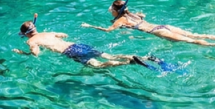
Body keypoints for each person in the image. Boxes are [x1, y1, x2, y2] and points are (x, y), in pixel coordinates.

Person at [82, 0, 215, 51]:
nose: (110, 10)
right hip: (162, 26)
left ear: (115, 10)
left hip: (157, 32)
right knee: (196, 35)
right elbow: (143, 15)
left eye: (111, 8)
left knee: (192, 41)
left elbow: (108, 30)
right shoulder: (133, 15)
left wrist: (90, 26)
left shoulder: (121, 19)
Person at [13, 14, 145, 69]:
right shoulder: (49, 33)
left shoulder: (31, 41)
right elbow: (64, 35)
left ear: (26, 34)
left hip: (70, 52)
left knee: (97, 66)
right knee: (110, 56)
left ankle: (127, 63)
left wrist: (23, 53)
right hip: (76, 45)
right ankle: (136, 57)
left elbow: (36, 54)